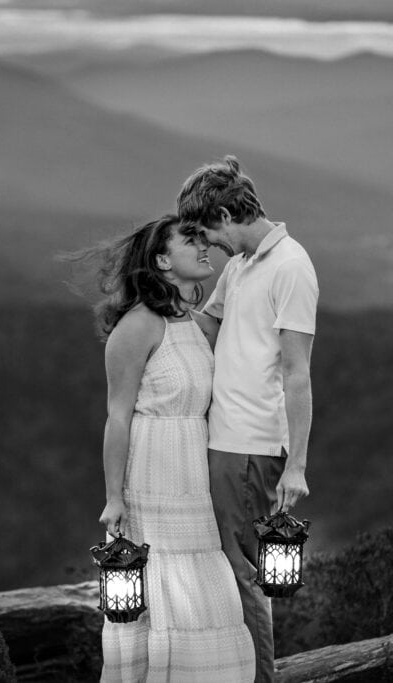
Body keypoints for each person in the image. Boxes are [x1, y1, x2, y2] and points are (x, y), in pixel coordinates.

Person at [73, 214, 255, 682]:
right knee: (161, 589)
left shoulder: (197, 325)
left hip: (194, 471)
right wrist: (114, 497)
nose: (203, 246)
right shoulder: (137, 327)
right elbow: (118, 417)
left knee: (203, 592)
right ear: (161, 261)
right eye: (189, 241)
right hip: (151, 473)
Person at [177, 156, 318, 683]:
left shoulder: (291, 267)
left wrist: (296, 465)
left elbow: (298, 374)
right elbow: (212, 325)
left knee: (243, 574)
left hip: (251, 443)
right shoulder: (241, 265)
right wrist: (158, 305)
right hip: (223, 437)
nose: (208, 245)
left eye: (208, 233)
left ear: (224, 214)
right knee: (228, 569)